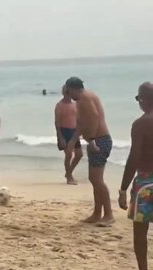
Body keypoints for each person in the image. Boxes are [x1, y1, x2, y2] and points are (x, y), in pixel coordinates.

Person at [65, 77, 114, 224]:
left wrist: (91, 140)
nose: (68, 94)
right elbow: (82, 123)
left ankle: (109, 215)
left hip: (100, 140)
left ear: (74, 88)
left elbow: (94, 117)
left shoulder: (85, 97)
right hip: (97, 140)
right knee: (94, 179)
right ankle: (97, 213)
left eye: (68, 90)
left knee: (97, 179)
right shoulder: (82, 99)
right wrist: (74, 140)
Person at [118, 82, 153, 270]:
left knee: (140, 232)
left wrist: (123, 188)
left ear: (144, 99)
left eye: (139, 98)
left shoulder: (141, 124)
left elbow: (134, 157)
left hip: (146, 183)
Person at [55, 85, 83, 184]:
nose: (67, 95)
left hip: (74, 131)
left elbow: (79, 119)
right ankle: (69, 178)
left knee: (79, 154)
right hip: (65, 131)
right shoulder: (59, 105)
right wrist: (60, 137)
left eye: (69, 93)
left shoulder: (75, 104)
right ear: (63, 93)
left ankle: (69, 172)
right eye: (66, 93)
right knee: (68, 155)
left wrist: (81, 132)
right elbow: (57, 123)